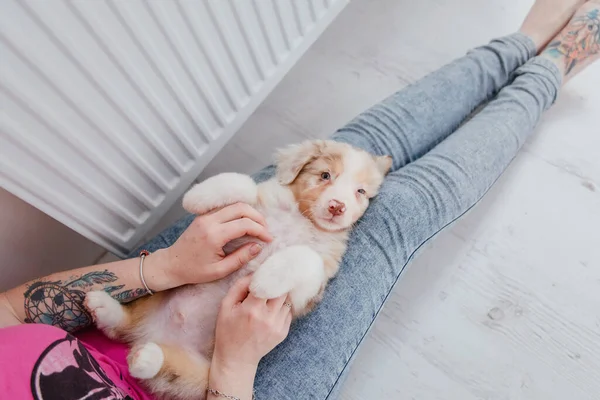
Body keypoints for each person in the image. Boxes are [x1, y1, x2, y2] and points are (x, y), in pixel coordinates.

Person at [1, 1, 598, 399]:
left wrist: (159, 267)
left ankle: (516, 45)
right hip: (222, 377)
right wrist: (236, 364)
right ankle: (552, 66)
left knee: (350, 157)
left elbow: (10, 312)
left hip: (146, 298)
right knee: (400, 211)